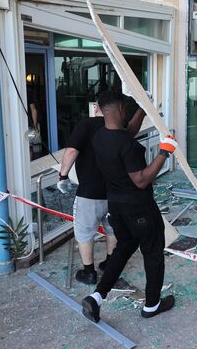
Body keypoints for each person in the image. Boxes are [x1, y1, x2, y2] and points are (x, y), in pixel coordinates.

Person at [81, 91, 177, 322]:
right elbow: (141, 179)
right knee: (153, 253)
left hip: (116, 205)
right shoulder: (127, 145)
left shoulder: (100, 136)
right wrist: (165, 152)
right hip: (139, 207)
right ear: (123, 110)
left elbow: (126, 134)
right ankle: (152, 305)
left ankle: (97, 296)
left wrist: (143, 109)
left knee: (123, 248)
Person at [57, 101, 146, 285]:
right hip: (115, 191)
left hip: (89, 192)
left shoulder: (86, 124)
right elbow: (132, 132)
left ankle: (89, 272)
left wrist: (63, 176)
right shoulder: (119, 129)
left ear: (97, 107)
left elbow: (72, 150)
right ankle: (109, 264)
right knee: (112, 228)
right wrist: (142, 110)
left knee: (84, 232)